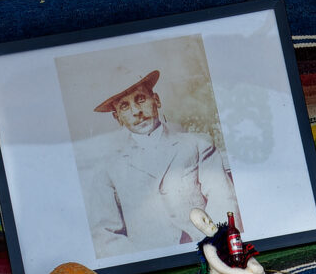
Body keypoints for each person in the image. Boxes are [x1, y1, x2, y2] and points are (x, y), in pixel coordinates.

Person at [89, 70, 237, 252]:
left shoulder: (198, 145)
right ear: (117, 117)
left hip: (204, 247)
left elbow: (223, 200)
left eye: (141, 99)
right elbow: (105, 234)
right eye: (125, 106)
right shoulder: (108, 168)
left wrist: (216, 248)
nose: (136, 111)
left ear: (156, 100)